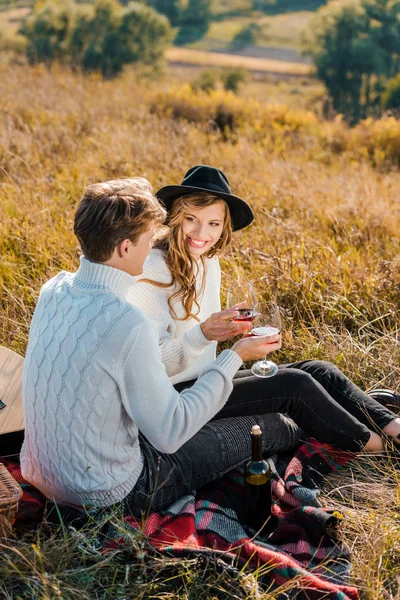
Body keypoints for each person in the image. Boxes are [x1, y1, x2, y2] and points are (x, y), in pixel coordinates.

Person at [20, 177, 306, 517]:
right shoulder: (128, 322)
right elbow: (171, 432)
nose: (156, 243)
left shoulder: (53, 289)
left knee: (284, 392)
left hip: (40, 474)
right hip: (114, 491)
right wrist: (234, 356)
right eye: (148, 238)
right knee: (277, 425)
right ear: (126, 248)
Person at [132, 165, 400, 454]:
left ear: (224, 227)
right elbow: (150, 367)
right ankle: (381, 451)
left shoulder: (208, 262)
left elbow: (199, 335)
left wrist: (224, 329)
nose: (201, 232)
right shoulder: (150, 268)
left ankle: (394, 427)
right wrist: (204, 334)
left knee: (319, 370)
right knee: (294, 385)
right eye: (191, 219)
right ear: (175, 218)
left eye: (214, 224)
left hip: (205, 380)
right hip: (173, 400)